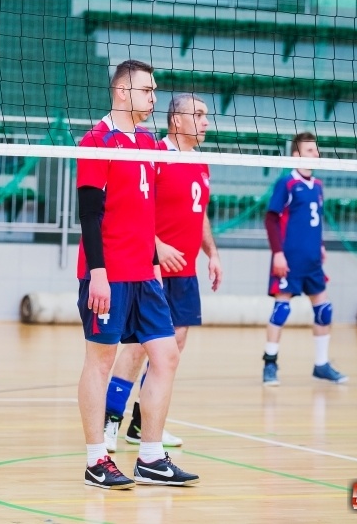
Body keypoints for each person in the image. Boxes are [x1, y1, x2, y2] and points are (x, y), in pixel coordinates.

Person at [76, 60, 199, 489]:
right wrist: (98, 273)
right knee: (102, 360)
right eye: (147, 90)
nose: (154, 97)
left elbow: (144, 215)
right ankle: (96, 459)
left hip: (145, 275)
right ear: (123, 92)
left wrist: (154, 256)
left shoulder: (147, 143)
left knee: (166, 356)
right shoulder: (97, 140)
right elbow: (90, 215)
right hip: (108, 274)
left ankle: (150, 456)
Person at [102, 93, 222, 454]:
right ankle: (110, 421)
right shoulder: (155, 155)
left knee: (174, 347)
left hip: (185, 271)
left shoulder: (201, 162)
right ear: (176, 120)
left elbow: (198, 214)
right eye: (198, 114)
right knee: (139, 346)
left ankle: (142, 423)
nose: (205, 121)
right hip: (150, 266)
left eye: (206, 115)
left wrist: (212, 254)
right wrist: (155, 245)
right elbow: (134, 207)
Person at [262, 132, 348, 386]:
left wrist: (320, 245)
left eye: (316, 150)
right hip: (288, 260)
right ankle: (270, 363)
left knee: (325, 310)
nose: (316, 154)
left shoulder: (319, 186)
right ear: (297, 155)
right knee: (281, 310)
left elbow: (314, 221)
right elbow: (270, 218)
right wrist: (277, 253)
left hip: (313, 262)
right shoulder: (287, 183)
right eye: (310, 150)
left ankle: (321, 365)